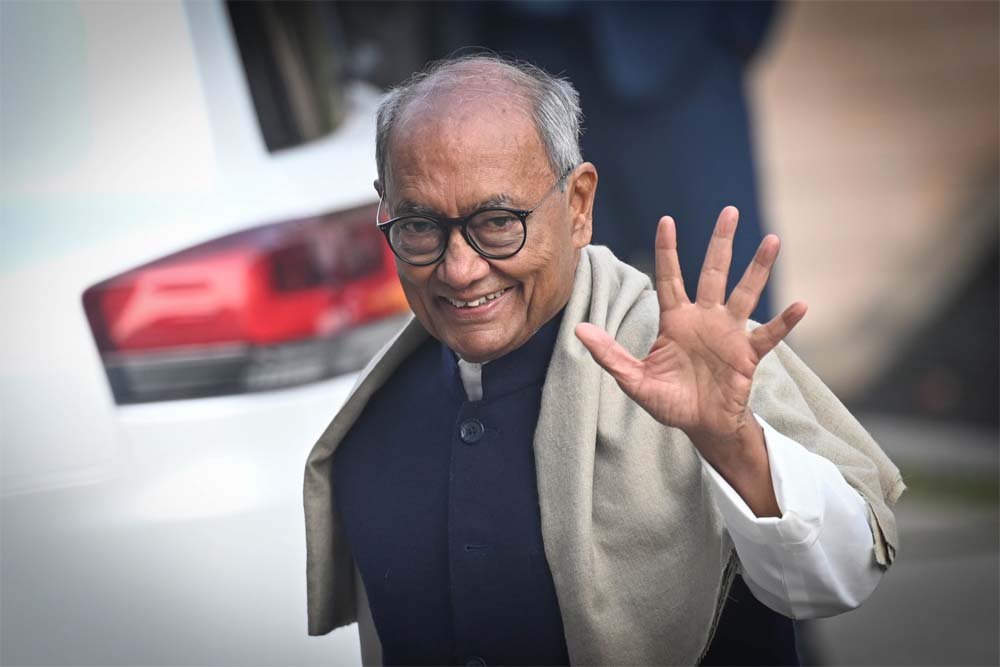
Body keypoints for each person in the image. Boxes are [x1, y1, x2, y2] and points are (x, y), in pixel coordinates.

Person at [303, 55, 903, 666]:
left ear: (578, 205)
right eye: (419, 226)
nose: (459, 269)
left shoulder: (697, 364)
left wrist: (731, 442)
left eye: (498, 222)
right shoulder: (375, 416)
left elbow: (839, 578)